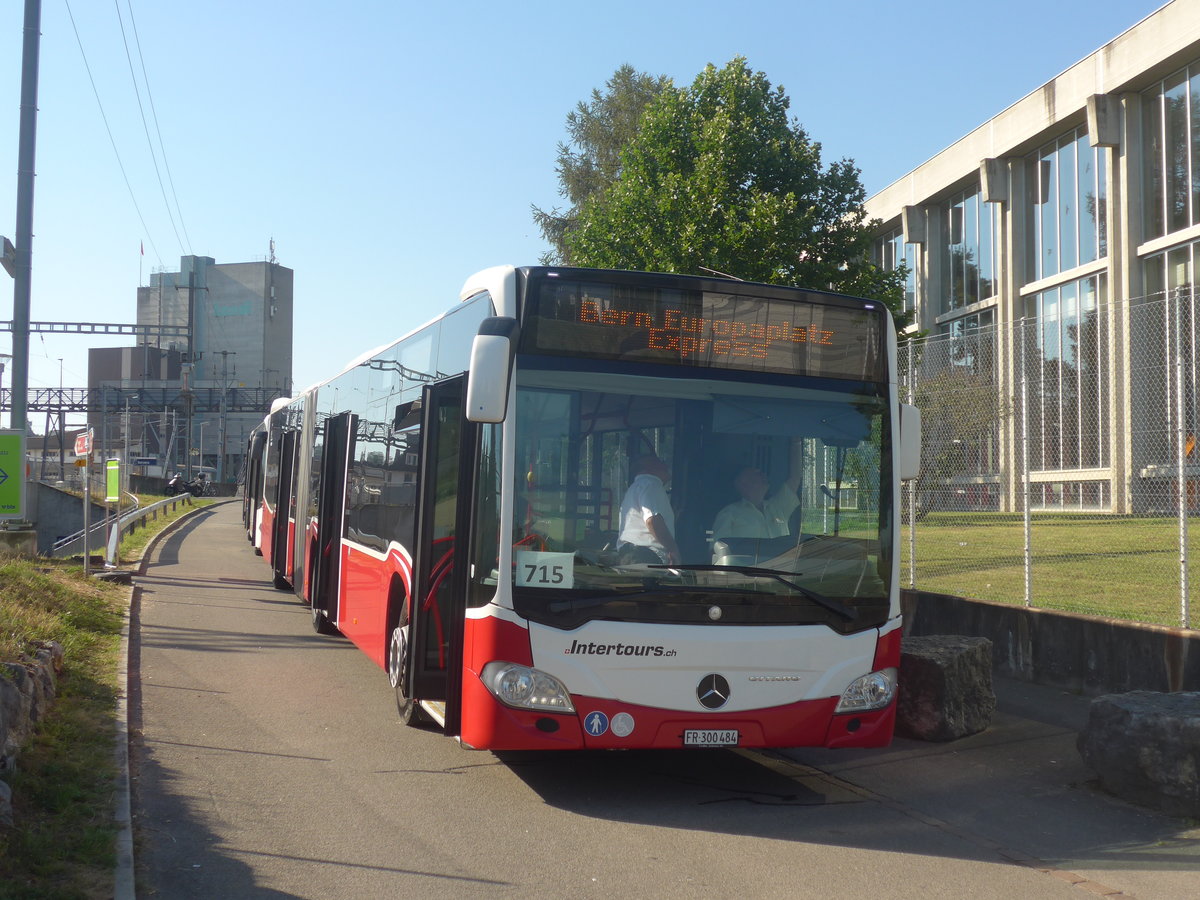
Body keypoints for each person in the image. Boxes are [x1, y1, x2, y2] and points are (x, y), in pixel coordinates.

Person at [711, 458, 801, 541]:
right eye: (756, 474)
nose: (763, 475)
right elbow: (716, 550)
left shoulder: (778, 506)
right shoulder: (729, 513)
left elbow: (795, 477)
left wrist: (796, 442)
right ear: (742, 484)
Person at [617, 454, 680, 565]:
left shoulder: (637, 487)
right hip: (645, 556)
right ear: (648, 467)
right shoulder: (651, 484)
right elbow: (652, 520)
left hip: (632, 555)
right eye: (658, 462)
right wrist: (673, 549)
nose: (664, 465)